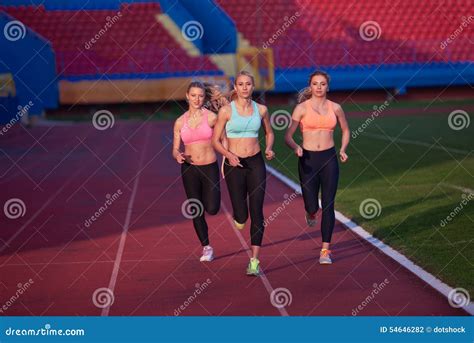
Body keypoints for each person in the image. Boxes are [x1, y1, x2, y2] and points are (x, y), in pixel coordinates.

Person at [212, 71, 275, 276]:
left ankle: (254, 260)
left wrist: (269, 148)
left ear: (253, 86)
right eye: (241, 84)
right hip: (234, 164)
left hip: (256, 162)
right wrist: (228, 155)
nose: (245, 87)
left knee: (257, 211)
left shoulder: (262, 109)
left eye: (248, 84)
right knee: (242, 213)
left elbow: (269, 132)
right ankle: (239, 216)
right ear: (236, 87)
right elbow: (215, 141)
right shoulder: (226, 111)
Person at [285, 70, 350, 265]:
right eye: (315, 83)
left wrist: (343, 148)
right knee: (312, 205)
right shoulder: (301, 109)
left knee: (329, 204)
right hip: (308, 159)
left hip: (329, 158)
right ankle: (310, 211)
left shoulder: (336, 108)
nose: (319, 87)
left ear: (327, 86)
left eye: (322, 84)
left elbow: (346, 129)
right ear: (310, 86)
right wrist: (296, 147)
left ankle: (325, 251)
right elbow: (288, 135)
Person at [172, 81, 222, 262]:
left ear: (204, 97)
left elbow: (222, 140)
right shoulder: (179, 122)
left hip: (209, 167)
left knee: (213, 208)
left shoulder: (211, 118)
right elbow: (175, 149)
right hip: (189, 169)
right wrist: (178, 156)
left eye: (200, 95)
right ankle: (206, 247)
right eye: (193, 95)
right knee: (196, 209)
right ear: (187, 96)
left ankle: (207, 243)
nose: (197, 99)